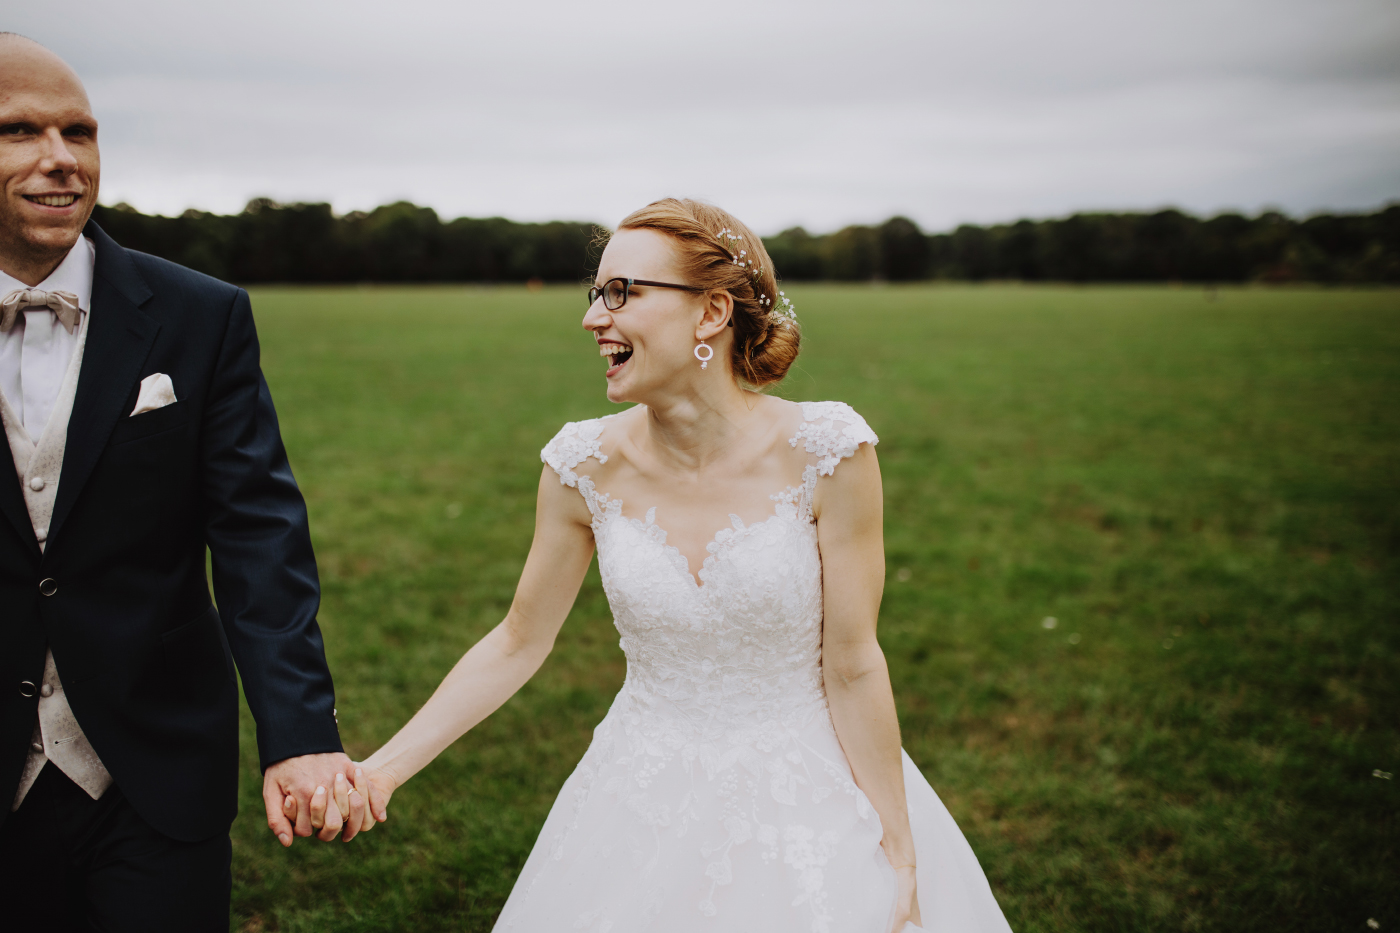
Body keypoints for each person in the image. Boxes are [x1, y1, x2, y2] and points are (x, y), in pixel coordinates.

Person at [355, 198, 1014, 932]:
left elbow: (854, 662)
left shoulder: (830, 453)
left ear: (711, 314)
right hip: (637, 790)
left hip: (808, 795)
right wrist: (383, 768)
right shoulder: (581, 465)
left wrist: (899, 842)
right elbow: (518, 639)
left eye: (623, 293)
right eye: (596, 292)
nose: (592, 318)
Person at [0, 34, 370, 931]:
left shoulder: (202, 316)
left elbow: (258, 532)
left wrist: (300, 732)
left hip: (154, 774)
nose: (61, 159)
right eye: (19, 131)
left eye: (79, 132)